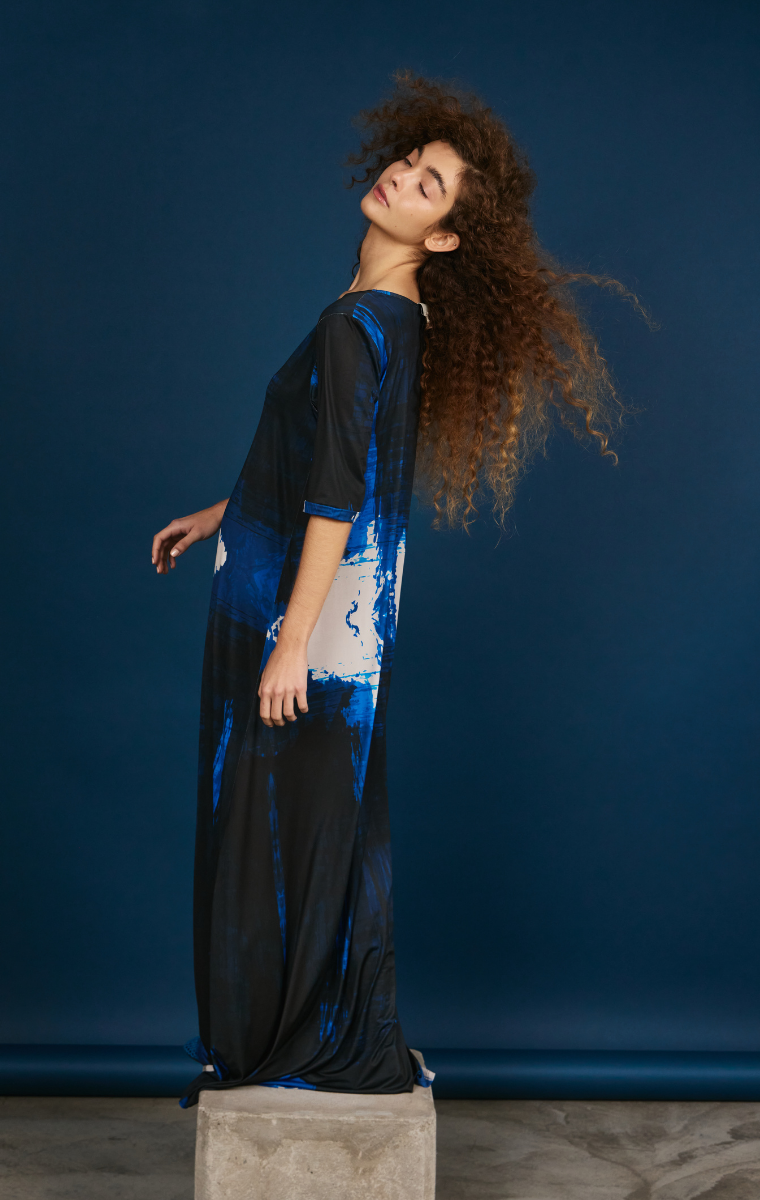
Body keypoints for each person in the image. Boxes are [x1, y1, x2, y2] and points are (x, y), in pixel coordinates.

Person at [152, 72, 638, 1110]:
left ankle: (289, 1039)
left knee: (273, 828)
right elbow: (329, 464)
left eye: (430, 186)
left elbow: (337, 497)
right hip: (336, 611)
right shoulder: (392, 318)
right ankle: (323, 1028)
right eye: (410, 162)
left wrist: (290, 641)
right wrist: (222, 513)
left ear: (447, 236)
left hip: (299, 615)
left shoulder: (361, 323)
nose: (401, 179)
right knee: (315, 819)